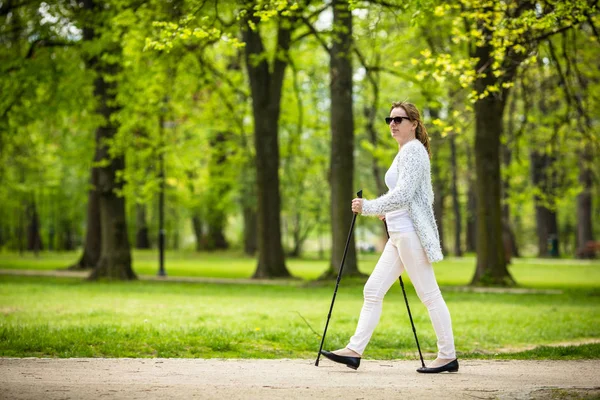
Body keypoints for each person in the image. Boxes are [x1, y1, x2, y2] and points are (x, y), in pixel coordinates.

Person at [320, 101, 458, 373]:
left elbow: (406, 195)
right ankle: (354, 351)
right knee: (372, 290)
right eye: (390, 119)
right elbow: (404, 196)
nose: (393, 124)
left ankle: (448, 356)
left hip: (409, 234)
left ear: (414, 124)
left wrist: (370, 207)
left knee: (429, 295)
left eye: (399, 119)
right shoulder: (403, 152)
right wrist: (387, 212)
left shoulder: (414, 151)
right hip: (397, 233)